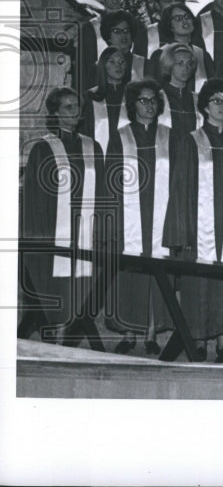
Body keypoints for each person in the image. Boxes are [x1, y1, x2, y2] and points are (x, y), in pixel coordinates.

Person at [162, 79, 223, 361]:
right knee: (198, 285)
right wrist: (182, 231)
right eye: (216, 101)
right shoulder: (192, 141)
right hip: (198, 227)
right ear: (204, 107)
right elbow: (180, 187)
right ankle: (197, 339)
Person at [19, 88, 105, 343]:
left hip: (85, 232)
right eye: (67, 107)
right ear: (55, 113)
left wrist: (100, 226)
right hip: (54, 230)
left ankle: (70, 336)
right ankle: (52, 336)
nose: (74, 111)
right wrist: (40, 236)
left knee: (81, 286)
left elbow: (102, 190)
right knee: (53, 286)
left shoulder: (92, 146)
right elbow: (35, 197)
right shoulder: (43, 148)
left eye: (76, 106)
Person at [105, 79, 173, 354]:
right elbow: (110, 181)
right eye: (143, 100)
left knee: (158, 272)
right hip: (129, 214)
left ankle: (151, 331)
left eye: (153, 100)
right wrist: (113, 218)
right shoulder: (120, 136)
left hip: (161, 213)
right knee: (131, 273)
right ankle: (130, 332)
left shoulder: (170, 135)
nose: (149, 105)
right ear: (132, 105)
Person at [150, 3, 213, 92]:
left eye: (187, 17)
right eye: (178, 18)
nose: (185, 21)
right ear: (169, 25)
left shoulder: (203, 55)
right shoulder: (160, 54)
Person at [81, 46, 130, 155]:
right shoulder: (90, 97)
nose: (118, 65)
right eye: (112, 62)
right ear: (103, 66)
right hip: (98, 155)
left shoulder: (134, 96)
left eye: (122, 61)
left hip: (128, 157)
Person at [157, 42, 199, 136]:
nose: (186, 68)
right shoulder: (158, 98)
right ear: (169, 65)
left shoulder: (197, 99)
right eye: (180, 63)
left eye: (189, 64)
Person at [98, 10, 146, 83]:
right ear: (108, 36)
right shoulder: (99, 68)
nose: (123, 35)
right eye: (117, 31)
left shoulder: (146, 65)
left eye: (126, 30)